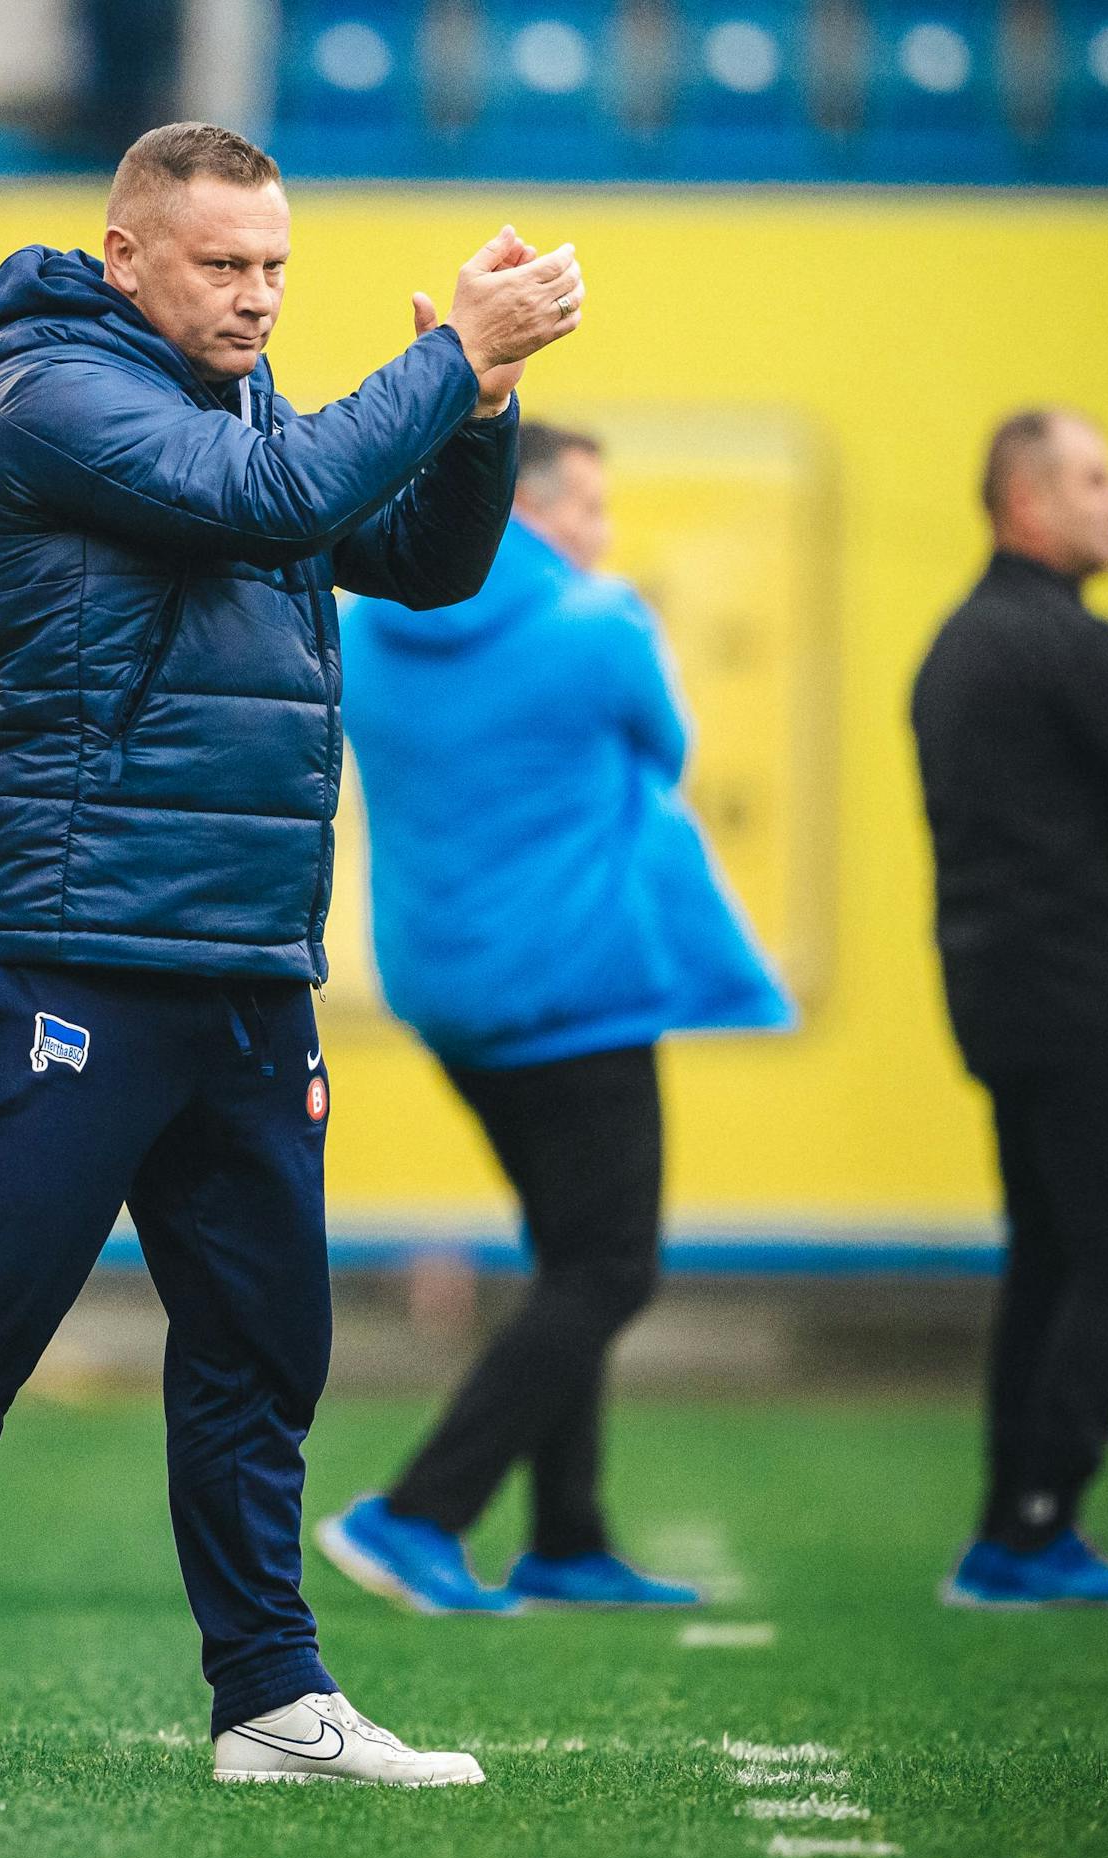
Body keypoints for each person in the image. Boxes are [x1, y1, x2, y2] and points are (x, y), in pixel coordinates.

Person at [0, 121, 585, 1786]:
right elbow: (276, 497)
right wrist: (444, 360)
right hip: (76, 948)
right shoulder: (50, 394)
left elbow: (426, 561)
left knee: (264, 1348)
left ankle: (272, 1700)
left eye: (276, 265)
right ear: (128, 256)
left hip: (249, 958)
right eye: (224, 264)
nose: (259, 296)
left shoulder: (249, 412)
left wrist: (484, 405)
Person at [321, 422, 791, 1614]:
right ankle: (416, 1513)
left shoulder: (366, 626)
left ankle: (568, 1538)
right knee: (610, 1267)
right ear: (523, 506)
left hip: (445, 992)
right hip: (578, 990)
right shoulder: (601, 623)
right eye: (587, 505)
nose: (601, 530)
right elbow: (666, 748)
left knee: (567, 1257)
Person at [911, 410, 1108, 1606]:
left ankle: (1009, 1527)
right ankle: (1032, 1520)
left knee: (1053, 1254)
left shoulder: (957, 644)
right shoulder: (1071, 647)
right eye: (1093, 479)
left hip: (999, 999)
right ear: (1024, 501)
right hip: (1086, 999)